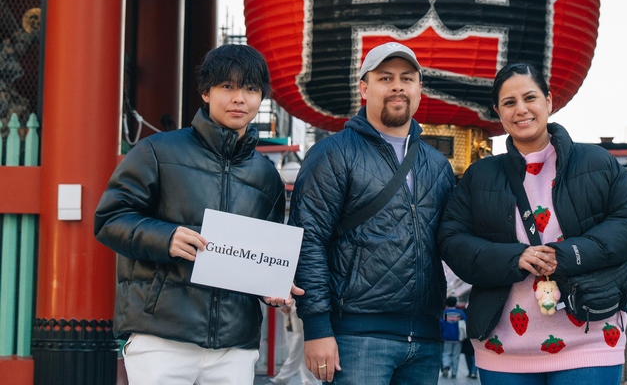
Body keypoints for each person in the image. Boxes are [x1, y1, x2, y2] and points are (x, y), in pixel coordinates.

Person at [94, 44, 299, 385]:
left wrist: (270, 285)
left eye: (250, 89)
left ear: (261, 97)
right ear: (206, 92)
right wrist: (166, 238)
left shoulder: (267, 177)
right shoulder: (158, 151)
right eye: (227, 86)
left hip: (235, 343)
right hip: (162, 335)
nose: (239, 98)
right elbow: (110, 218)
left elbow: (263, 252)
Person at [437, 63, 627, 385]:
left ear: (548, 101)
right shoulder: (479, 176)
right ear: (498, 112)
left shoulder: (597, 162)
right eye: (509, 102)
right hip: (503, 346)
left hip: (590, 337)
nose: (521, 109)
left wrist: (569, 254)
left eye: (530, 97)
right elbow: (451, 239)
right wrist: (514, 257)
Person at [289, 42, 456, 384]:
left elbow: (453, 241)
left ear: (419, 89)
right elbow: (308, 240)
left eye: (407, 78)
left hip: (425, 339)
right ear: (364, 89)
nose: (397, 86)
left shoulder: (438, 165)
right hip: (356, 336)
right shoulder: (333, 153)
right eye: (385, 78)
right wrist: (316, 327)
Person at [271, 301, 321, 385]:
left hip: (301, 306)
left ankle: (284, 377)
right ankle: (309, 381)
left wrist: (285, 305)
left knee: (300, 341)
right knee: (302, 345)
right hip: (301, 306)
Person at [440, 296, 466, 379]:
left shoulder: (445, 313)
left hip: (447, 337)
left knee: (446, 353)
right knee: (456, 356)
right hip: (458, 338)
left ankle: (446, 365)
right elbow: (465, 324)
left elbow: (441, 324)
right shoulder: (460, 313)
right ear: (455, 303)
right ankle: (454, 373)